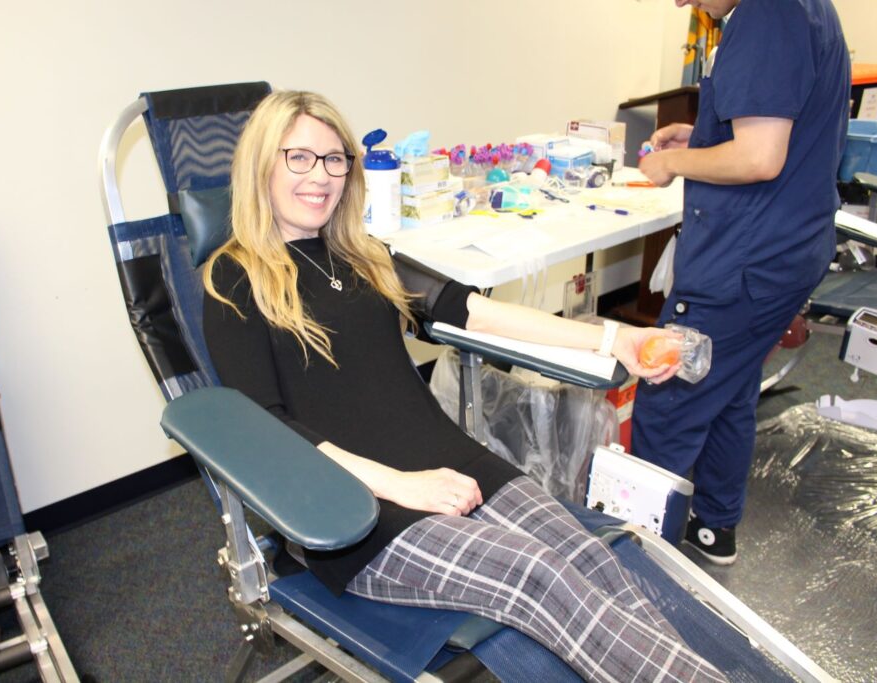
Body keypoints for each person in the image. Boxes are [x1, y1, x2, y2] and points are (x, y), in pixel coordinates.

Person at [201, 89, 727, 682]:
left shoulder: (366, 255)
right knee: (540, 577)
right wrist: (403, 488)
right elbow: (270, 432)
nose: (320, 176)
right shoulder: (235, 277)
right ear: (260, 165)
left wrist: (615, 342)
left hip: (451, 465)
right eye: (298, 158)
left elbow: (473, 311)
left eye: (334, 158)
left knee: (589, 557)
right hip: (354, 514)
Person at [631, 0, 851, 565]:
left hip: (746, 258)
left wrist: (675, 165)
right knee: (727, 389)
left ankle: (636, 564)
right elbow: (770, 123)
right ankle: (713, 526)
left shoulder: (767, 13)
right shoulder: (798, 7)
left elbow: (758, 157)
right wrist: (702, 133)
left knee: (669, 396)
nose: (684, 4)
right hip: (785, 248)